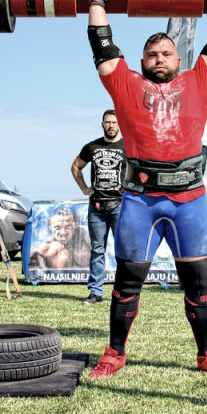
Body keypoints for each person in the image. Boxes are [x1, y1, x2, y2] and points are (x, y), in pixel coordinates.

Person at [84, 0, 207, 378]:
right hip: (139, 200)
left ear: (178, 57)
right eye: (152, 54)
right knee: (127, 281)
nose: (159, 59)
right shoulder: (126, 84)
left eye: (166, 53)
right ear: (142, 59)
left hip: (189, 201)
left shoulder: (199, 81)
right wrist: (96, 0)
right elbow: (102, 44)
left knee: (199, 283)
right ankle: (115, 352)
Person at [70, 109, 126, 304]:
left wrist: (131, 188)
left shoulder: (127, 146)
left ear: (119, 124)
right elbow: (75, 166)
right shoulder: (92, 147)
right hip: (97, 207)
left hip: (119, 205)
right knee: (97, 250)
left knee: (122, 250)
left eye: (114, 122)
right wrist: (84, 188)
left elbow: (140, 168)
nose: (110, 125)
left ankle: (123, 291)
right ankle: (96, 291)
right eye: (107, 122)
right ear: (102, 124)